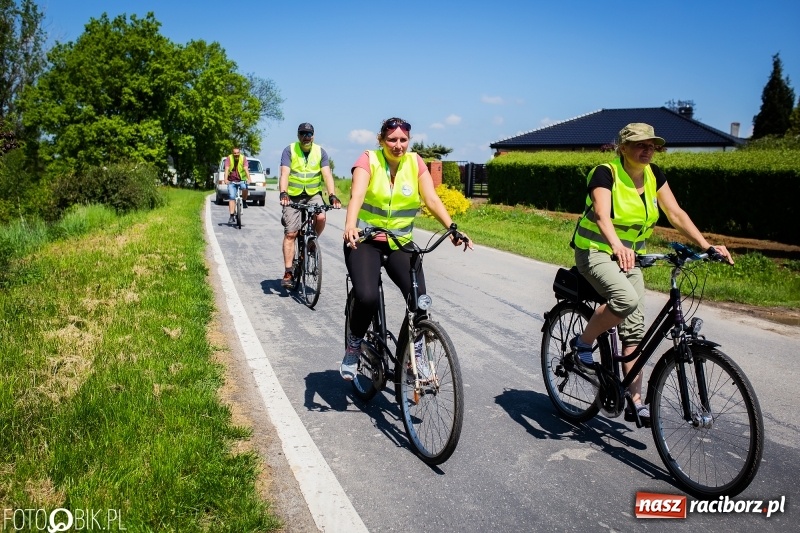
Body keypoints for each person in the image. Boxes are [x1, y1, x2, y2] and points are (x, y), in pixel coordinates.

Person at [570, 123, 734, 424]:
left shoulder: (654, 174)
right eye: (640, 145)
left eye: (652, 145)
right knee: (625, 300)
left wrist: (706, 245)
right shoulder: (605, 172)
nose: (648, 150)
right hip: (595, 250)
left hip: (631, 257)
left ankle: (634, 400)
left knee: (634, 329)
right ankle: (583, 343)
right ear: (623, 147)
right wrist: (617, 246)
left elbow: (676, 214)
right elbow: (603, 216)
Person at [340, 117, 473, 381]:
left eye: (403, 140)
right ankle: (354, 345)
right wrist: (350, 225)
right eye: (392, 140)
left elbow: (431, 199)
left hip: (400, 243)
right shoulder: (369, 159)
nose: (398, 145)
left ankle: (415, 356)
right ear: (381, 140)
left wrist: (452, 228)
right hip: (365, 241)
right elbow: (356, 195)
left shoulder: (415, 163)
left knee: (419, 300)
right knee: (367, 297)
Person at [279, 122, 341, 287]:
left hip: (313, 194)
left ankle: (311, 243)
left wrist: (333, 195)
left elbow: (327, 175)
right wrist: (283, 192)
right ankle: (288, 271)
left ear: (313, 135)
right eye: (303, 133)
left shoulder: (321, 152)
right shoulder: (289, 150)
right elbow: (284, 173)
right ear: (298, 135)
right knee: (291, 234)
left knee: (321, 217)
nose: (306, 137)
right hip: (292, 196)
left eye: (309, 134)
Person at [223, 146, 251, 224]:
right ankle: (231, 216)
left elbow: (245, 169)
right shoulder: (229, 158)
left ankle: (244, 201)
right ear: (232, 153)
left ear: (240, 153)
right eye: (234, 153)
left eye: (237, 153)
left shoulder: (243, 158)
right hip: (231, 180)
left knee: (245, 187)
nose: (236, 154)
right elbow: (226, 169)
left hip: (241, 179)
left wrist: (249, 179)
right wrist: (225, 179)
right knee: (232, 196)